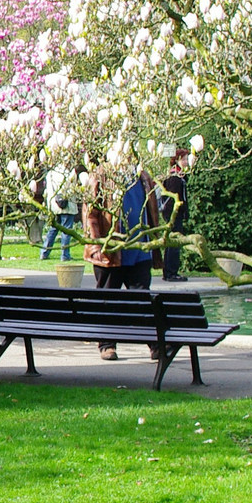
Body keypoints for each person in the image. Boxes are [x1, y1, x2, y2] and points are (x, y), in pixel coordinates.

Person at [84, 171, 163, 360]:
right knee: (107, 299)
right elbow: (90, 214)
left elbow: (152, 211)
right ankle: (106, 344)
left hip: (139, 249)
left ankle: (155, 344)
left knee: (143, 299)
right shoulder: (101, 176)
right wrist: (99, 245)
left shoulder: (143, 177)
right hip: (110, 252)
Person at [157, 153, 189, 281]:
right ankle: (171, 272)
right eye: (184, 159)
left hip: (174, 214)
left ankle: (169, 272)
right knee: (175, 243)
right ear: (177, 160)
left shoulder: (179, 175)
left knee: (172, 243)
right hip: (173, 215)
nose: (187, 162)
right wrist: (173, 216)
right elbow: (172, 198)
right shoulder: (175, 177)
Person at [40, 166, 79, 260]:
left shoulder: (51, 173)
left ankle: (44, 253)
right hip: (68, 205)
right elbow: (72, 189)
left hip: (54, 206)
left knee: (53, 229)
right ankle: (65, 255)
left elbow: (49, 191)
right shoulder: (70, 172)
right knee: (66, 230)